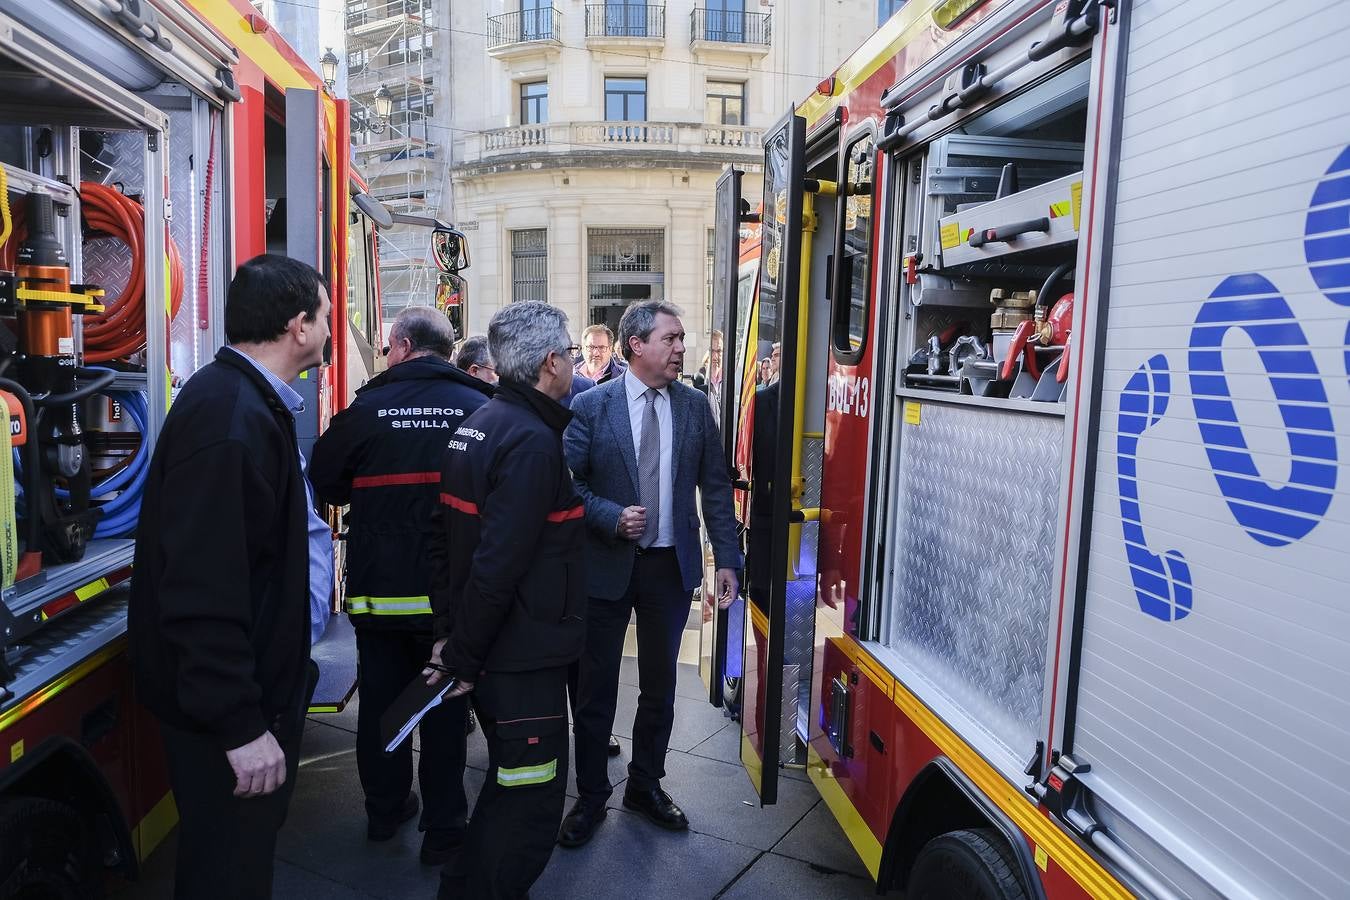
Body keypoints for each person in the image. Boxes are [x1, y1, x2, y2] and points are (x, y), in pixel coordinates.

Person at [128, 254, 333, 899]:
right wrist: (241, 726)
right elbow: (202, 592)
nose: (331, 331)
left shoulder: (242, 404)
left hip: (246, 705)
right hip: (231, 724)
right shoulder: (229, 419)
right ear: (299, 326)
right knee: (227, 875)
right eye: (326, 318)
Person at [308, 307, 492, 865]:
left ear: (403, 346)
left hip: (380, 597)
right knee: (443, 712)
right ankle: (445, 831)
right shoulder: (480, 407)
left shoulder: (367, 408)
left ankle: (385, 813)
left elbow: (324, 479)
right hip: (451, 604)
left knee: (383, 707)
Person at [559, 300, 741, 847]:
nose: (682, 348)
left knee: (661, 688)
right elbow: (565, 482)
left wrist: (727, 559)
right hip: (605, 566)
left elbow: (715, 487)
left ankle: (645, 785)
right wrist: (611, 517)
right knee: (595, 691)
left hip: (669, 568)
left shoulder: (693, 405)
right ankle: (591, 797)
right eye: (672, 339)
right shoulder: (592, 406)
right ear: (635, 345)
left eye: (682, 339)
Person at [425, 301, 586, 899]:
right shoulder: (532, 442)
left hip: (498, 650)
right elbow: (497, 565)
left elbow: (445, 546)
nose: (572, 362)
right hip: (521, 657)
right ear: (550, 363)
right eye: (569, 353)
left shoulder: (482, 424)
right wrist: (460, 656)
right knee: (529, 804)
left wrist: (452, 639)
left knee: (506, 788)